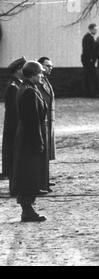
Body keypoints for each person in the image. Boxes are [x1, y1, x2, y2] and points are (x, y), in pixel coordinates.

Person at [12, 61, 48, 222]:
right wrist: (38, 142)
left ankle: (27, 208)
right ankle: (27, 210)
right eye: (39, 73)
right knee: (29, 173)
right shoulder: (29, 92)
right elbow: (32, 120)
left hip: (25, 137)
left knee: (27, 172)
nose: (42, 76)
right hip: (29, 139)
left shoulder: (26, 88)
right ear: (32, 74)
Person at [1, 57, 26, 196]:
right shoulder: (13, 87)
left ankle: (16, 185)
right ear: (18, 70)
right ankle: (14, 187)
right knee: (13, 156)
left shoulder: (18, 84)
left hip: (16, 127)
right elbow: (13, 111)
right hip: (14, 128)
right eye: (23, 68)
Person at [37, 57, 56, 192]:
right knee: (42, 152)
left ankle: (45, 180)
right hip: (43, 121)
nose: (50, 68)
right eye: (47, 66)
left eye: (51, 66)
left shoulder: (46, 80)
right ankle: (41, 181)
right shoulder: (38, 82)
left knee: (47, 152)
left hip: (49, 121)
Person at [81, 23, 98, 98]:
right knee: (90, 77)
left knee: (89, 76)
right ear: (91, 29)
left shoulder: (90, 37)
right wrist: (91, 59)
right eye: (95, 29)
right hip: (89, 61)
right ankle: (90, 93)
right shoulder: (87, 38)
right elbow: (87, 50)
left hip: (89, 60)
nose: (96, 31)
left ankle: (90, 92)